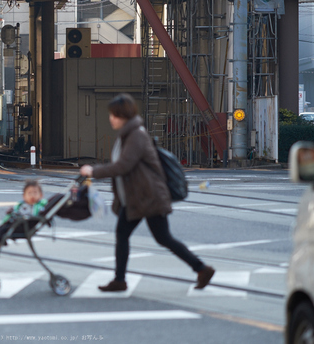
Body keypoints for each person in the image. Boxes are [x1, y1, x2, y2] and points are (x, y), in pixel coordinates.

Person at [79, 93, 215, 292]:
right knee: (136, 236)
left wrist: (94, 171)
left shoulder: (136, 135)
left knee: (159, 238)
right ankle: (120, 280)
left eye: (114, 115)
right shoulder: (128, 134)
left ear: (123, 115)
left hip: (147, 197)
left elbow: (123, 166)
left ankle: (201, 268)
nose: (111, 119)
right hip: (138, 197)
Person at [0, 180, 47, 265]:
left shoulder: (40, 206)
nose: (32, 195)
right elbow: (16, 212)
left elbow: (38, 212)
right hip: (16, 224)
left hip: (24, 227)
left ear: (40, 195)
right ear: (24, 196)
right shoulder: (22, 205)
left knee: (2, 232)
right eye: (29, 193)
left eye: (35, 193)